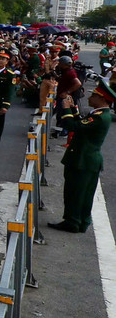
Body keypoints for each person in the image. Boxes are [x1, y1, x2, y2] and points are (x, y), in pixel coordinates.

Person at [48, 78, 114, 233]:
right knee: (81, 193)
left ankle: (73, 221)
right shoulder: (98, 114)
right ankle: (80, 221)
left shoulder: (99, 116)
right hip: (84, 159)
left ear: (101, 99)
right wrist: (73, 109)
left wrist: (65, 109)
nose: (90, 98)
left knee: (76, 192)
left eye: (93, 96)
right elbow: (82, 124)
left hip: (83, 160)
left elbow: (73, 126)